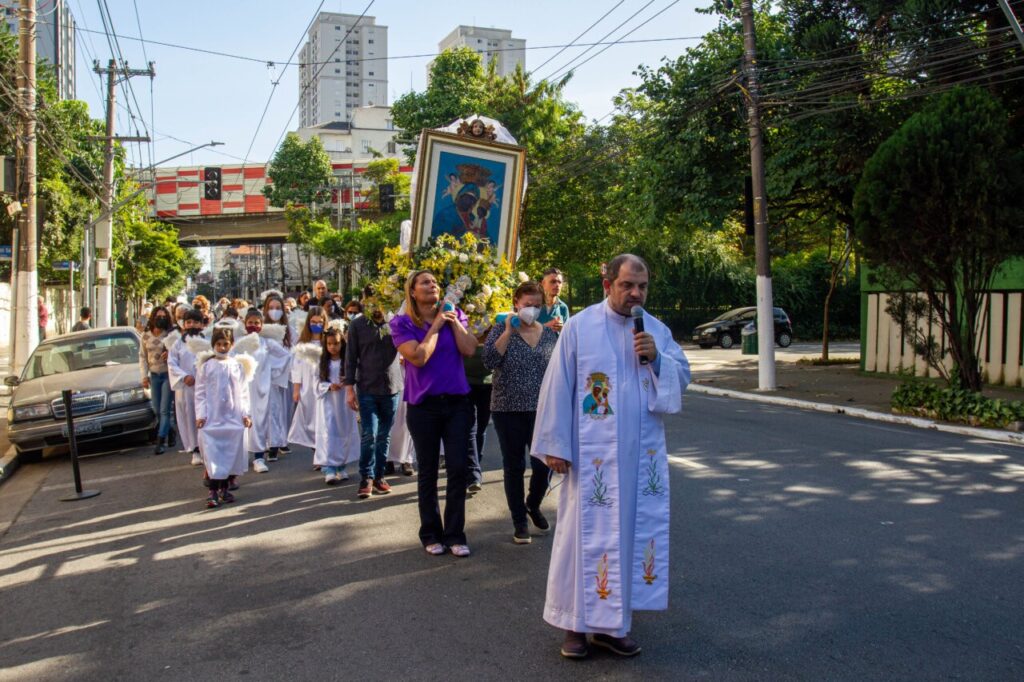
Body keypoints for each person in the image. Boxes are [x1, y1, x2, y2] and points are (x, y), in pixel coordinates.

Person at [531, 254, 690, 659]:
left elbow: (681, 377)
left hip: (637, 458)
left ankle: (613, 626)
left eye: (642, 286)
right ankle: (574, 625)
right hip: (591, 458)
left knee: (627, 538)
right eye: (627, 285)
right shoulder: (580, 327)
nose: (636, 293)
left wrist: (657, 358)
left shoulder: (656, 330)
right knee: (579, 538)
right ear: (608, 285)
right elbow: (559, 383)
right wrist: (555, 444)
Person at [390, 270, 478, 557]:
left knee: (458, 468)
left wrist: (453, 321)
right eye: (425, 282)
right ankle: (430, 533)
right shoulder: (401, 323)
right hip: (423, 406)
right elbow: (418, 357)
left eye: (435, 282)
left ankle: (455, 535)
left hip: (457, 404)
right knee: (427, 471)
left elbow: (469, 349)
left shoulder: (455, 315)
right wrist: (437, 324)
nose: (433, 285)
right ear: (412, 291)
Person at [483, 281, 558, 544]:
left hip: (541, 410)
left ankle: (533, 504)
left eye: (537, 306)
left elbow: (558, 371)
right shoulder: (500, 329)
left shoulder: (548, 334)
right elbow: (489, 361)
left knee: (543, 464)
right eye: (527, 305)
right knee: (514, 466)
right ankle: (519, 521)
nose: (532, 310)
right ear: (516, 303)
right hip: (508, 409)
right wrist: (507, 331)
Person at [344, 300, 403, 498]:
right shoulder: (357, 325)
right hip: (366, 387)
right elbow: (350, 358)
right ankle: (366, 477)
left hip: (391, 386)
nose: (376, 307)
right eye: (371, 303)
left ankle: (379, 477)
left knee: (384, 435)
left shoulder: (395, 322)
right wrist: (349, 389)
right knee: (370, 433)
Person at [195, 325, 255, 508]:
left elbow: (243, 392)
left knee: (231, 453)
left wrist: (245, 414)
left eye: (226, 344)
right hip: (212, 419)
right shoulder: (206, 367)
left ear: (232, 344)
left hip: (233, 418)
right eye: (219, 344)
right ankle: (213, 491)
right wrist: (201, 415)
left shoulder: (237, 366)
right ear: (213, 345)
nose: (222, 347)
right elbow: (200, 393)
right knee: (214, 453)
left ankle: (225, 488)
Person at [236, 308, 291, 473]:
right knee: (242, 419)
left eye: (256, 323)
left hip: (263, 388)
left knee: (259, 421)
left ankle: (259, 457)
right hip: (243, 388)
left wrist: (272, 372)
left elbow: (286, 356)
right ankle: (239, 456)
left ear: (262, 325)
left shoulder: (267, 343)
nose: (253, 325)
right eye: (250, 322)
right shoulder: (239, 343)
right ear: (245, 324)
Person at [316, 322, 359, 484]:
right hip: (328, 404)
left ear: (342, 344)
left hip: (343, 403)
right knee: (329, 434)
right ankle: (329, 468)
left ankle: (341, 466)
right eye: (329, 344)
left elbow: (356, 377)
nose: (333, 347)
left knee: (344, 433)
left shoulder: (347, 362)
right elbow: (315, 383)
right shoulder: (322, 363)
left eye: (336, 343)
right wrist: (328, 386)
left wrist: (348, 380)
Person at [167, 309, 207, 466]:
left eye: (196, 322)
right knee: (190, 417)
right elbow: (172, 363)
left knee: (205, 416)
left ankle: (207, 448)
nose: (192, 325)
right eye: (189, 322)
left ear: (201, 324)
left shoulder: (208, 341)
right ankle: (195, 450)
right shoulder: (178, 344)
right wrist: (184, 377)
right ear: (184, 324)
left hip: (205, 387)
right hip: (186, 388)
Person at [289, 307, 326, 452]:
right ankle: (314, 445)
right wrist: (296, 389)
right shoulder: (302, 344)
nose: (316, 325)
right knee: (309, 416)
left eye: (320, 322)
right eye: (313, 322)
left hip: (324, 384)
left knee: (323, 416)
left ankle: (322, 448)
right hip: (307, 386)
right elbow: (296, 367)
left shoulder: (327, 341)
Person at [140, 306, 175, 454]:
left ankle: (160, 441)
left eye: (164, 317)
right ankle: (171, 430)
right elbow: (142, 357)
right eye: (158, 316)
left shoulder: (170, 335)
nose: (161, 319)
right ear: (153, 318)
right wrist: (144, 376)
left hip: (167, 375)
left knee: (164, 409)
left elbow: (178, 353)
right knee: (157, 409)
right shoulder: (145, 336)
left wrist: (170, 353)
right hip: (154, 375)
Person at [261, 291, 293, 456]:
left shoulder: (289, 330)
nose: (274, 311)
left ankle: (282, 439)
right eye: (271, 308)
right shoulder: (262, 330)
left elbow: (293, 350)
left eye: (278, 308)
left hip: (286, 375)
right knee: (272, 409)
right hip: (268, 375)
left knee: (285, 409)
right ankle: (272, 442)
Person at [462, 329, 492, 494]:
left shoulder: (497, 319)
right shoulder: (462, 320)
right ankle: (473, 473)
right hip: (465, 381)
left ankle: (475, 465)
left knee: (481, 427)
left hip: (488, 383)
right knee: (469, 427)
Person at [538, 267, 570, 333]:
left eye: (559, 282)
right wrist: (546, 327)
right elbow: (524, 331)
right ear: (543, 284)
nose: (557, 285)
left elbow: (568, 334)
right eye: (553, 281)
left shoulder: (563, 307)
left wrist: (563, 329)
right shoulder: (533, 305)